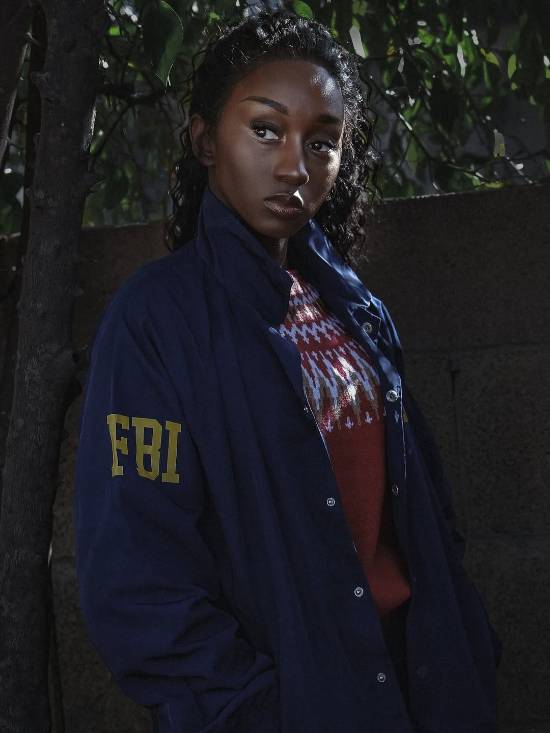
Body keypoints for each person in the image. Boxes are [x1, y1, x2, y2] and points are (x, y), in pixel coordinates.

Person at [74, 9, 502, 733]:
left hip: (422, 693)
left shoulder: (356, 308)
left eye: (322, 141)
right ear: (205, 140)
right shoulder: (155, 321)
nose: (294, 167)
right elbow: (136, 581)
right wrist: (252, 710)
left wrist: (467, 646)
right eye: (266, 130)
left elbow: (427, 515)